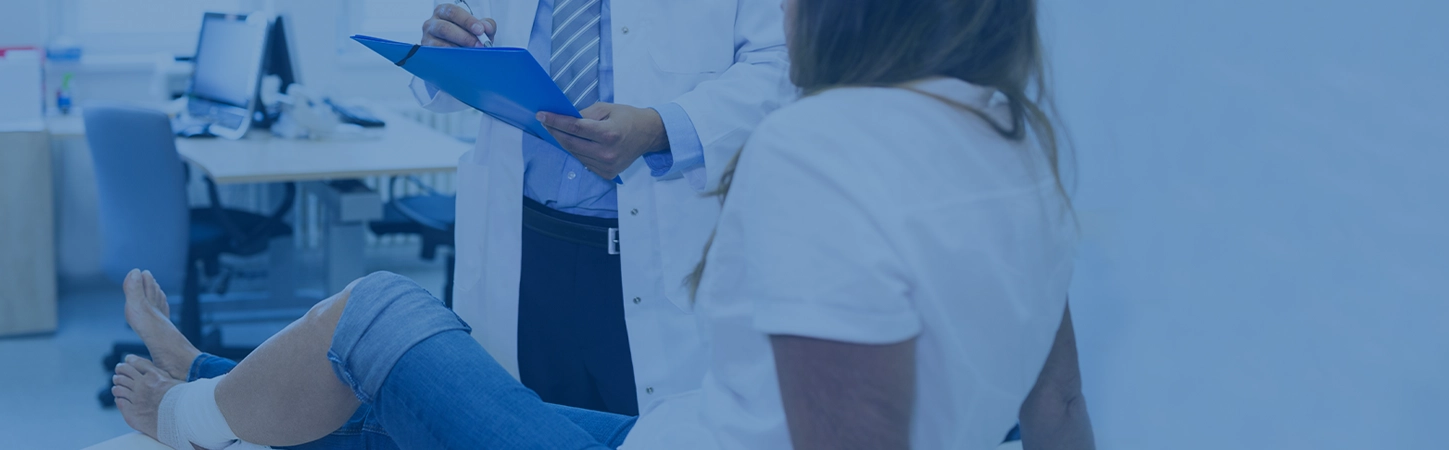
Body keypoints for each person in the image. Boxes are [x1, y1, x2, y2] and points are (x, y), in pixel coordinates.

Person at [110, 0, 1093, 448]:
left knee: (374, 312)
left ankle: (190, 416)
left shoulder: (818, 146)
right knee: (388, 410)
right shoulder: (1026, 146)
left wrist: (665, 124)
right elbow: (1056, 415)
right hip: (662, 407)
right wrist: (448, 44)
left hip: (657, 318)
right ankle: (206, 380)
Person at [414, 0, 791, 417]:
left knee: (652, 432)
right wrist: (444, 47)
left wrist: (660, 129)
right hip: (518, 245)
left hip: (662, 253)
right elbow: (466, 43)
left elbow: (781, 64)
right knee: (523, 430)